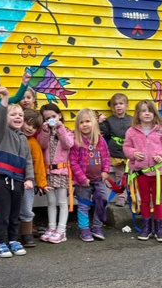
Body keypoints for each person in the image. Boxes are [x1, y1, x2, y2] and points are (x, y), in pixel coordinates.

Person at [123, 100, 162, 242]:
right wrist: (133, 153)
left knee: (157, 200)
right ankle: (146, 227)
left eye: (150, 111)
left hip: (158, 173)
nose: (147, 113)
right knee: (144, 200)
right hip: (141, 173)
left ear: (154, 113)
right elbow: (126, 147)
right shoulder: (131, 131)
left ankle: (159, 229)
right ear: (138, 114)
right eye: (143, 111)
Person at [0, 87, 34, 258]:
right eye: (13, 115)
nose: (18, 117)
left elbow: (29, 160)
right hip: (3, 179)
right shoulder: (2, 133)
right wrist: (6, 97)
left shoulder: (23, 138)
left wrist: (29, 178)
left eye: (20, 116)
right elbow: (0, 117)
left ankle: (12, 239)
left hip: (19, 180)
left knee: (14, 213)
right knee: (2, 213)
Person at [69, 108, 110, 242]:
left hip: (99, 179)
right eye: (81, 122)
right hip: (83, 181)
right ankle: (84, 229)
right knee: (83, 205)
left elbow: (106, 157)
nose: (85, 124)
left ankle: (97, 227)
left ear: (94, 123)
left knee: (102, 200)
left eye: (88, 121)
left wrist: (105, 171)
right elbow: (73, 162)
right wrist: (81, 178)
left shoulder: (100, 140)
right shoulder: (76, 142)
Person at [38, 104, 74, 243]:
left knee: (62, 201)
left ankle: (61, 230)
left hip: (62, 172)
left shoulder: (66, 131)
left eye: (53, 116)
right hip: (48, 172)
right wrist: (45, 131)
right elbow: (42, 145)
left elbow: (68, 144)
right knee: (51, 202)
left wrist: (60, 128)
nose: (51, 119)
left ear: (59, 115)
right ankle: (52, 227)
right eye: (47, 118)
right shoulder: (44, 132)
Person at [19, 109, 49, 247]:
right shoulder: (10, 137)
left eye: (34, 127)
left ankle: (27, 234)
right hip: (9, 179)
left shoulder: (33, 143)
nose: (30, 128)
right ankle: (10, 234)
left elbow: (38, 165)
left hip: (27, 182)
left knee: (26, 208)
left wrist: (42, 183)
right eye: (28, 124)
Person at [98, 93, 132, 207]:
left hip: (131, 153)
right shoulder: (110, 120)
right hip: (116, 152)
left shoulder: (132, 120)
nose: (118, 106)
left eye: (121, 103)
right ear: (112, 107)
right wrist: (101, 123)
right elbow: (106, 133)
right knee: (120, 176)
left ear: (126, 106)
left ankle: (132, 196)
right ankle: (121, 197)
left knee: (132, 176)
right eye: (115, 104)